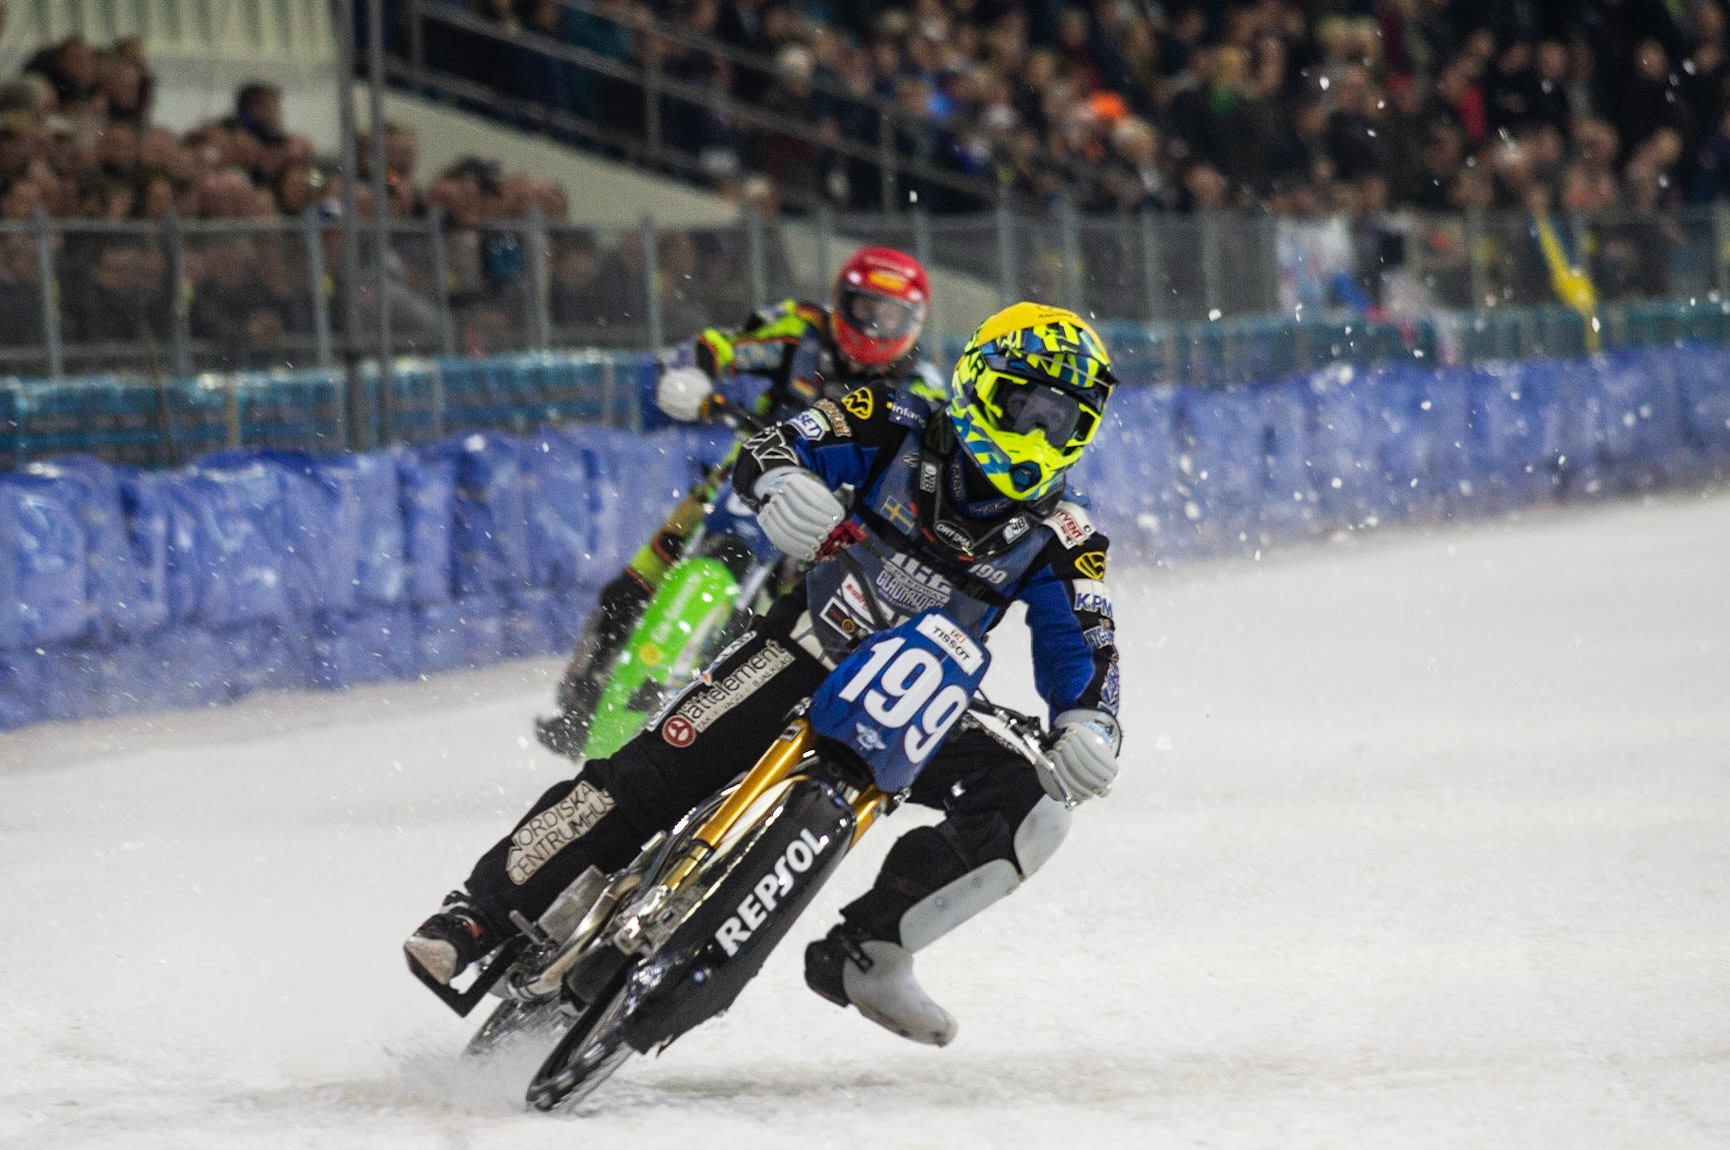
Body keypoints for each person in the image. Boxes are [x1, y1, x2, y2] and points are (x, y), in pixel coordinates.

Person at [409, 303, 1123, 1046]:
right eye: (1028, 405)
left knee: (1039, 805)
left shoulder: (1066, 537)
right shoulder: (893, 416)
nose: (1040, 434)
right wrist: (780, 483)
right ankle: (480, 913)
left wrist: (1093, 719)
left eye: (1063, 421)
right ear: (981, 383)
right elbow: (783, 442)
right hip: (803, 646)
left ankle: (869, 955)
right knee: (648, 772)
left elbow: (1087, 641)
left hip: (920, 704)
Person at [533, 245, 937, 758]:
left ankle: (787, 734)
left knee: (814, 627)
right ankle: (579, 702)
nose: (875, 325)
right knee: (630, 587)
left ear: (914, 323)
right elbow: (722, 346)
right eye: (865, 308)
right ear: (842, 301)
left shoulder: (923, 392)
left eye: (891, 315)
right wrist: (693, 375)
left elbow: (927, 474)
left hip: (829, 520)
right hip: (741, 478)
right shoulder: (799, 330)